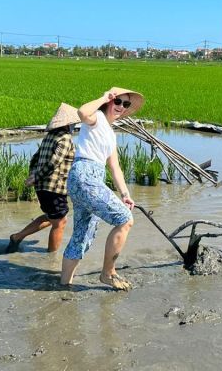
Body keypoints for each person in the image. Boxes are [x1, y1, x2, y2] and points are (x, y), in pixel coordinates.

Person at [61, 87, 144, 291]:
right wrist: (103, 97)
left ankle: (64, 286)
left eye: (125, 105)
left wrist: (125, 194)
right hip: (85, 174)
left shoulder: (111, 135)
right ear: (109, 102)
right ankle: (108, 273)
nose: (121, 107)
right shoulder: (96, 117)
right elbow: (82, 112)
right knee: (125, 220)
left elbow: (115, 167)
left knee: (82, 236)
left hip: (90, 178)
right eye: (118, 102)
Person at [6, 103, 78, 253]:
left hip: (43, 187)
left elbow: (34, 158)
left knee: (51, 217)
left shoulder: (49, 137)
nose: (75, 126)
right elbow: (54, 163)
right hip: (54, 187)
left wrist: (33, 176)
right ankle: (51, 258)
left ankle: (17, 237)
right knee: (60, 222)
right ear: (68, 124)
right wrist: (35, 177)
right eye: (74, 123)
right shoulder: (65, 139)